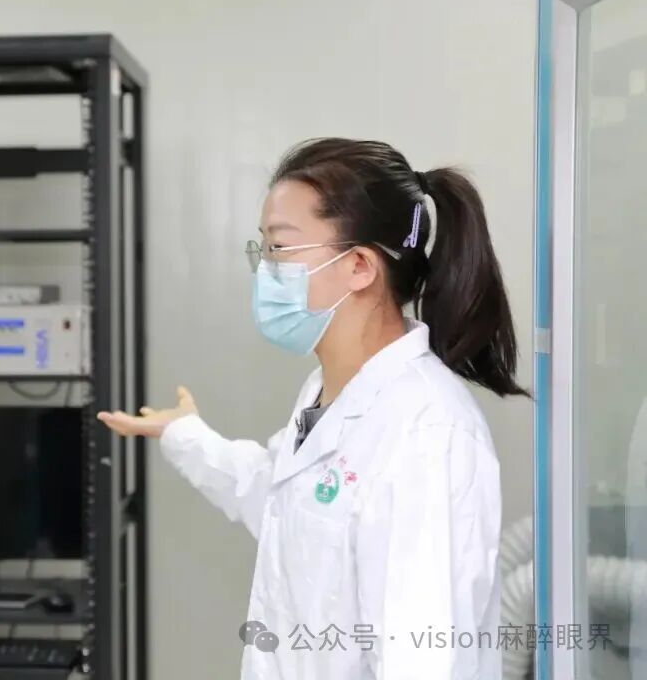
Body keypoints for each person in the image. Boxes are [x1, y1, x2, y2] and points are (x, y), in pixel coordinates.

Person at [97, 138, 529, 680]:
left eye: (280, 248)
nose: (264, 270)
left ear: (360, 266)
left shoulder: (426, 430)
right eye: (262, 249)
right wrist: (185, 435)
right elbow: (284, 499)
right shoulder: (329, 391)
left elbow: (421, 658)